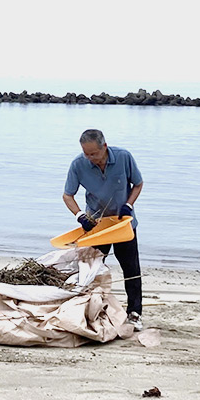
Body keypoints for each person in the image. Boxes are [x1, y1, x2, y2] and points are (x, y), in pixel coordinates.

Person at [63, 129, 145, 330]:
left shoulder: (124, 157)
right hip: (97, 226)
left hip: (123, 224)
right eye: (86, 154)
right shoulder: (78, 165)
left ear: (104, 147)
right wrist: (80, 216)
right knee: (91, 270)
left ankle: (135, 313)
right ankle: (88, 308)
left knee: (131, 270)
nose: (90, 158)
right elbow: (67, 195)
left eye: (94, 154)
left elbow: (138, 184)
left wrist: (129, 205)